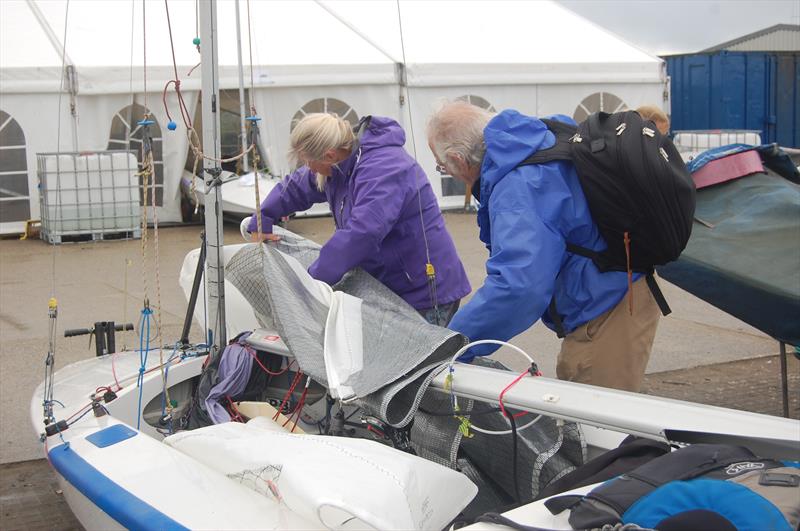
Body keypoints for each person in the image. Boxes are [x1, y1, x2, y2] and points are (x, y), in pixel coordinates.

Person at [426, 102, 661, 392]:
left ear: (459, 160)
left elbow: (520, 288)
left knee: (599, 422)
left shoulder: (518, 185)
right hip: (622, 287)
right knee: (612, 399)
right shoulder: (537, 136)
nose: (447, 171)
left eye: (441, 165)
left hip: (608, 306)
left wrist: (449, 343)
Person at [246, 113, 471, 326]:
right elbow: (296, 187)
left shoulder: (385, 168)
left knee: (422, 366)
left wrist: (310, 283)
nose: (307, 168)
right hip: (386, 288)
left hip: (424, 293)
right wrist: (262, 217)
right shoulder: (338, 164)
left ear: (329, 155)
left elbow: (361, 234)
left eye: (307, 161)